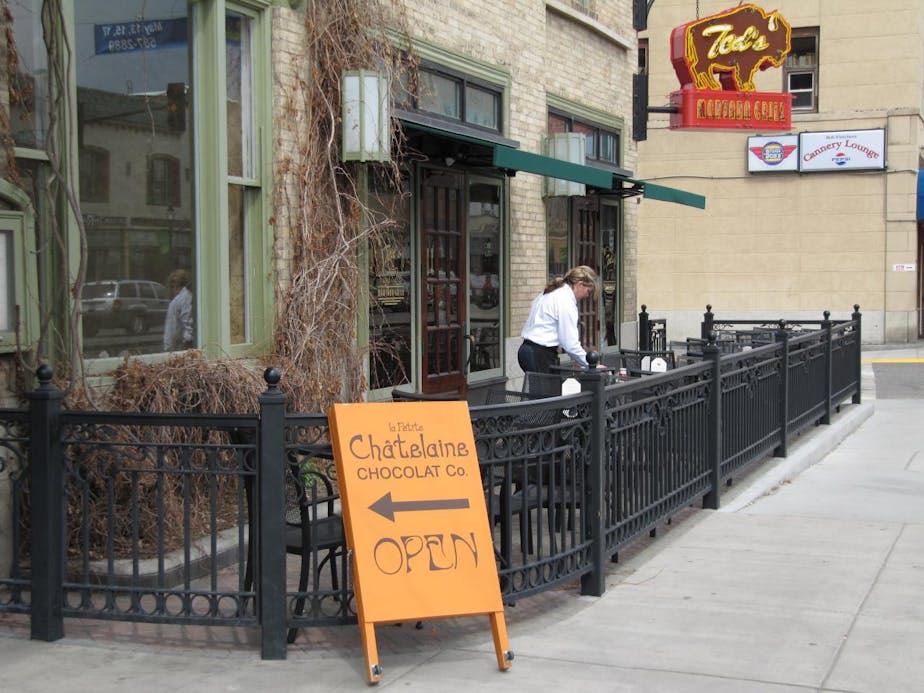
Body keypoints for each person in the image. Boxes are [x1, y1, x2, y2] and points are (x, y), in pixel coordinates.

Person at [518, 265, 600, 374]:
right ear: (580, 285)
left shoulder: (551, 292)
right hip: (539, 353)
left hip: (528, 350)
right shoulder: (565, 300)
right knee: (549, 385)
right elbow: (570, 344)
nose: (586, 296)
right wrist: (591, 365)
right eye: (588, 291)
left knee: (542, 385)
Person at [164, 269, 194, 351]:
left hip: (187, 345)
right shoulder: (193, 296)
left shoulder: (176, 302)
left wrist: (167, 350)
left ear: (174, 286)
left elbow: (171, 332)